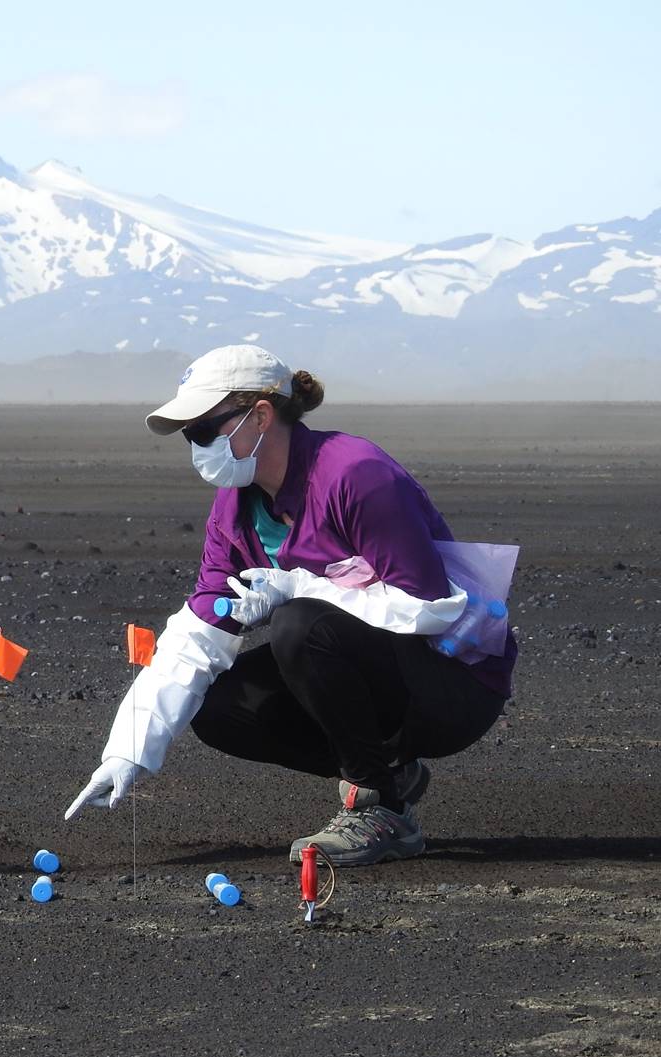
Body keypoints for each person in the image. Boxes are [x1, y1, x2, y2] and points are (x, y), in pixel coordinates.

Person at [63, 345, 516, 866]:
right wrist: (128, 752)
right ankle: (387, 773)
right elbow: (198, 632)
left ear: (260, 416)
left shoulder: (355, 475)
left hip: (452, 684)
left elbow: (428, 606)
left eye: (204, 429)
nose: (197, 447)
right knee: (218, 702)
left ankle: (379, 808)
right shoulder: (235, 508)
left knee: (298, 625)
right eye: (190, 436)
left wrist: (299, 587)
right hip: (375, 681)